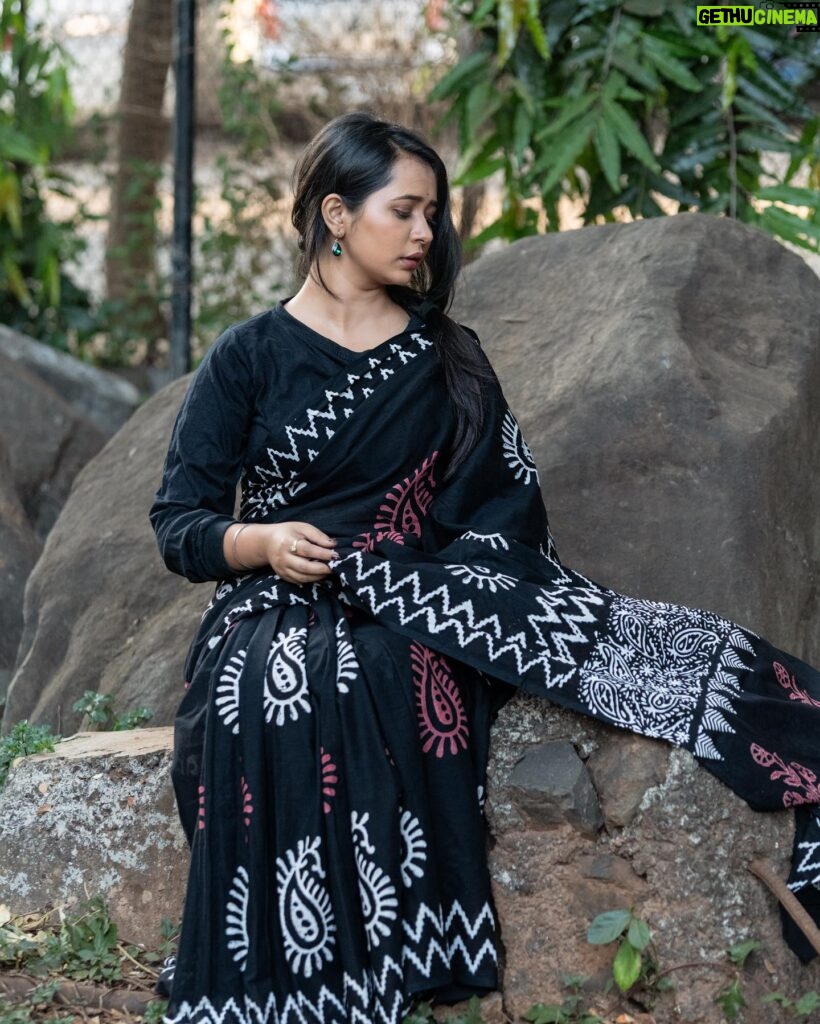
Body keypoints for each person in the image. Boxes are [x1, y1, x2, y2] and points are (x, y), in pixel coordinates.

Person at [149, 111, 820, 1024]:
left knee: (384, 665)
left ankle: (398, 955)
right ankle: (292, 974)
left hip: (425, 593)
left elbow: (507, 517)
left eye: (435, 214)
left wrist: (423, 575)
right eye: (407, 210)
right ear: (336, 215)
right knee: (280, 684)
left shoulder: (445, 358)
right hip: (272, 597)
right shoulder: (249, 358)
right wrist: (259, 543)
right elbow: (179, 523)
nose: (428, 233)